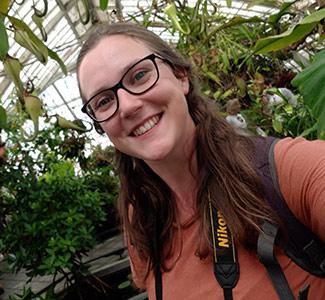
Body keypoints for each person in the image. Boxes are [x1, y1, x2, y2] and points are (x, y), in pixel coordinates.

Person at [76, 22, 325, 299]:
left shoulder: (283, 171)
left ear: (181, 76)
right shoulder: (143, 218)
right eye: (104, 101)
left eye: (140, 75)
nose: (128, 106)